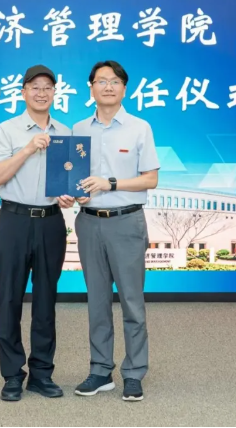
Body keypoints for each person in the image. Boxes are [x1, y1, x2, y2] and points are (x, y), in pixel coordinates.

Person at [72, 60, 160, 402]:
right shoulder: (79, 128)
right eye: (101, 81)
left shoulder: (140, 128)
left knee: (132, 303)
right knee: (96, 302)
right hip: (88, 222)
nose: (107, 86)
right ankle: (100, 370)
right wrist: (72, 193)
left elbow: (150, 179)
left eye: (114, 81)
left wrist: (110, 183)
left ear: (124, 88)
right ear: (91, 87)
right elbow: (73, 175)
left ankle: (134, 373)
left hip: (126, 221)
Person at [0, 64, 74, 402]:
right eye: (34, 87)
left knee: (46, 300)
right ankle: (12, 375)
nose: (41, 92)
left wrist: (69, 195)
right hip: (14, 221)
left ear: (55, 93)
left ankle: (41, 374)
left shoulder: (65, 132)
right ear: (23, 92)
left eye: (47, 87)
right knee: (9, 298)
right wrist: (26, 148)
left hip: (51, 222)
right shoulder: (6, 130)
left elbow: (68, 181)